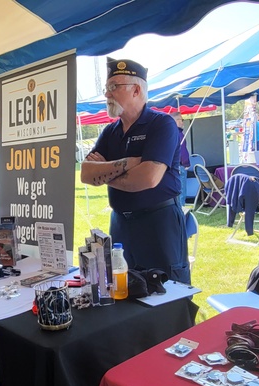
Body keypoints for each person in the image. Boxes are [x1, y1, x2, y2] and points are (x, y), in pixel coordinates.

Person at [80, 58, 190, 283]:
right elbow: (86, 174)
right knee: (123, 287)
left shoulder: (161, 124)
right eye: (106, 89)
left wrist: (105, 173)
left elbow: (148, 178)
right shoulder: (111, 132)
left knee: (167, 290)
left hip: (158, 223)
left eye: (113, 88)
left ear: (136, 90)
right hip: (121, 224)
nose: (107, 95)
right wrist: (129, 163)